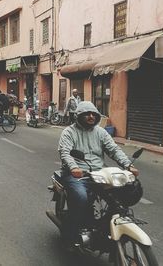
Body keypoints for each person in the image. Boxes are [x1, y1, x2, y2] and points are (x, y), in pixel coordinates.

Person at [57, 101, 139, 247]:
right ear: (79, 116)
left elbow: (113, 149)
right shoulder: (69, 132)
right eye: (87, 114)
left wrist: (128, 164)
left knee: (121, 197)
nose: (91, 117)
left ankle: (106, 229)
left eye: (93, 114)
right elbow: (65, 152)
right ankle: (69, 234)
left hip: (100, 173)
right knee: (81, 198)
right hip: (77, 174)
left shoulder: (101, 132)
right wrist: (74, 167)